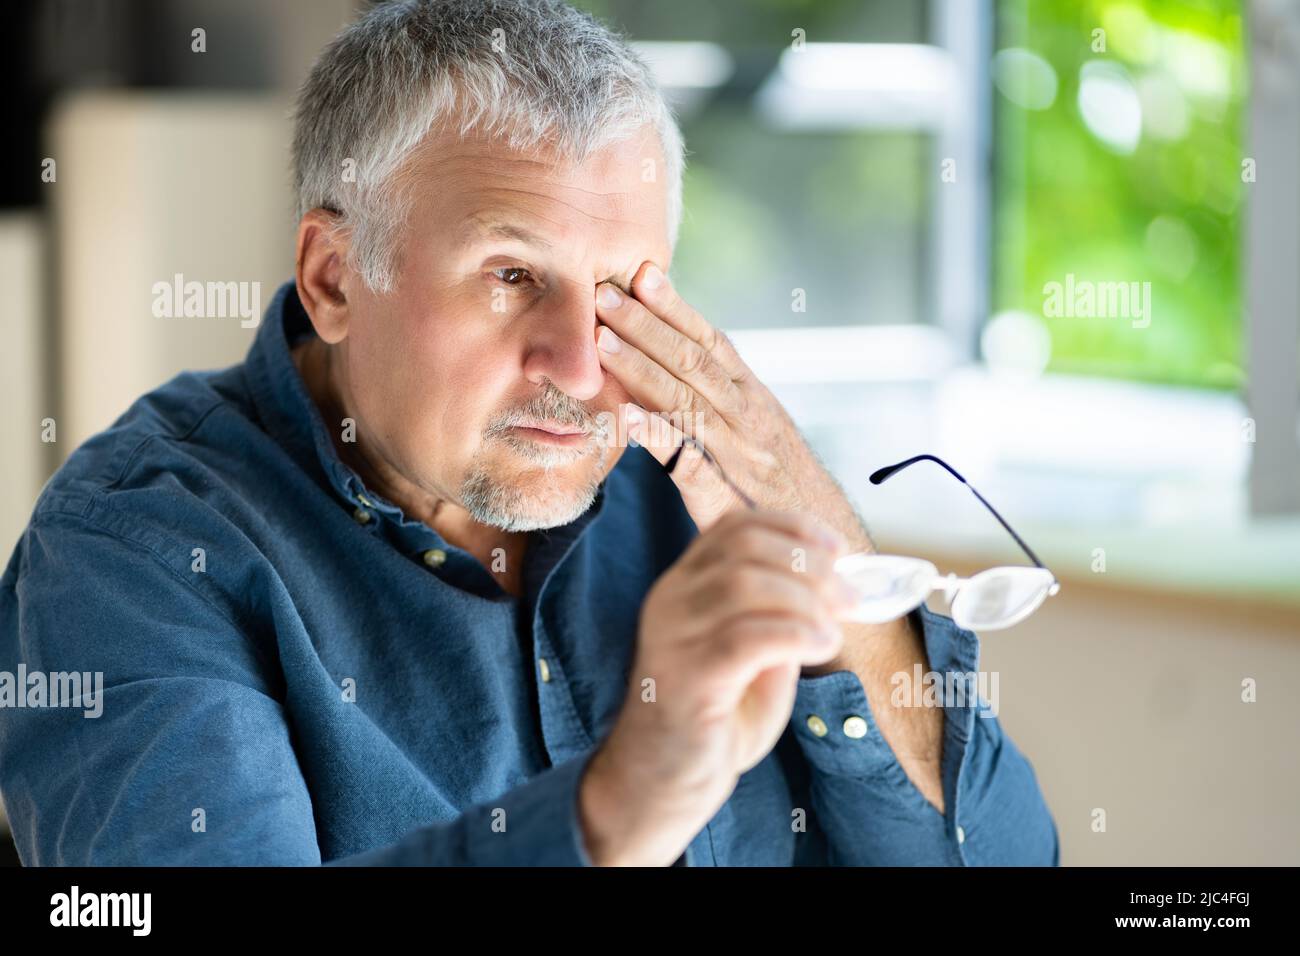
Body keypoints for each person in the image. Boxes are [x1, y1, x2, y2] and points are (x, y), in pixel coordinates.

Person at [0, 0, 1058, 866]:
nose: (583, 365)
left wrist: (837, 573)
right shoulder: (130, 552)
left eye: (616, 289)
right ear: (333, 277)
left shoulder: (704, 491)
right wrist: (621, 804)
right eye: (512, 276)